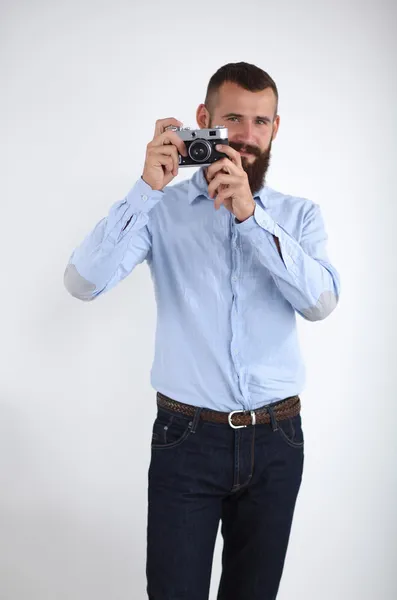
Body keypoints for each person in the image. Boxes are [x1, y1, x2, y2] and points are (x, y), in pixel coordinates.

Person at [64, 62, 340, 600]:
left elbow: (321, 303)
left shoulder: (298, 217)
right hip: (186, 439)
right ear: (201, 121)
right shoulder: (160, 211)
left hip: (277, 440)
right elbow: (81, 282)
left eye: (261, 122)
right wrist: (145, 187)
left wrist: (249, 217)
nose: (246, 136)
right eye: (232, 119)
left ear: (276, 129)